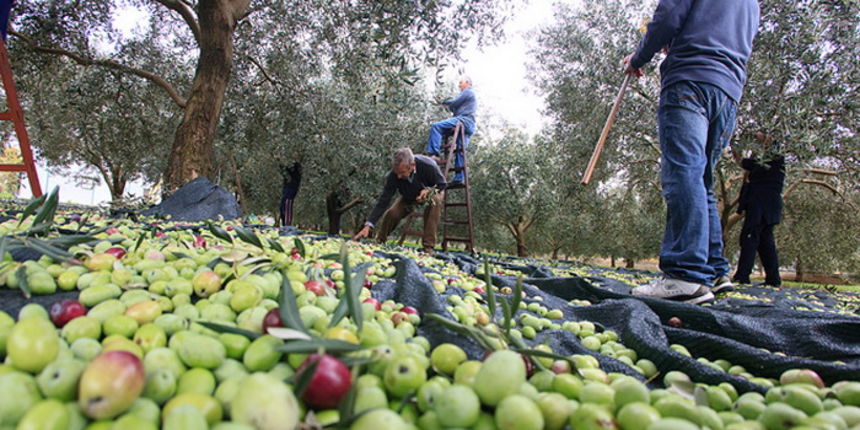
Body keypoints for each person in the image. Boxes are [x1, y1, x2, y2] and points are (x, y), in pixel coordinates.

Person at [624, 0, 760, 304]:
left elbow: (668, 16)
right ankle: (713, 272)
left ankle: (683, 276)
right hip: (728, 93)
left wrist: (638, 58)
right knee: (702, 180)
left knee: (683, 174)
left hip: (690, 81)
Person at [353, 147, 446, 253]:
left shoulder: (427, 165)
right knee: (392, 213)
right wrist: (368, 225)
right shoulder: (394, 176)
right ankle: (380, 241)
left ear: (412, 166)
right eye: (397, 172)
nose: (399, 176)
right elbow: (384, 200)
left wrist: (429, 191)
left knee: (435, 201)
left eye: (402, 173)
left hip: (430, 192)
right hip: (409, 196)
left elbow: (442, 184)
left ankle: (428, 246)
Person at [732, 131, 785, 287]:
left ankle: (742, 276)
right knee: (765, 242)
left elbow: (750, 164)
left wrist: (754, 135)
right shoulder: (767, 162)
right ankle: (773, 279)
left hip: (762, 205)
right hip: (768, 206)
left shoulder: (775, 157)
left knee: (749, 238)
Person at [425, 76, 476, 185]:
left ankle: (434, 154)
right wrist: (445, 102)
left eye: (461, 82)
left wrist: (450, 105)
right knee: (460, 151)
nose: (459, 85)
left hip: (464, 120)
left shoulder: (468, 92)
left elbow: (455, 103)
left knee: (436, 127)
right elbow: (453, 103)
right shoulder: (469, 95)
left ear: (468, 83)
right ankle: (459, 178)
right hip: (470, 124)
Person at [278, 157, 302, 227]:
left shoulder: (296, 167)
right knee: (282, 207)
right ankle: (284, 224)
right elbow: (284, 171)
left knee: (287, 206)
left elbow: (290, 170)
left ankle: (287, 225)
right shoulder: (289, 169)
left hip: (291, 189)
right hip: (286, 189)